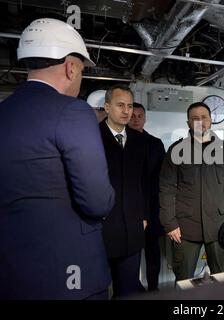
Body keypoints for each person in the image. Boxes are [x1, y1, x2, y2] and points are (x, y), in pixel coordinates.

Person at [0, 18, 115, 299]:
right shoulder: (73, 112)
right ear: (71, 67)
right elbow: (96, 201)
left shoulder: (4, 113)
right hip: (69, 274)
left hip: (12, 273)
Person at [159, 101, 224, 282]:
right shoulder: (177, 150)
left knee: (221, 277)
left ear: (211, 121)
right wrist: (170, 223)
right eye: (194, 118)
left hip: (218, 224)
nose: (200, 122)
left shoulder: (223, 149)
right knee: (184, 279)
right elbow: (166, 189)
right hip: (186, 228)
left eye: (204, 117)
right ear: (188, 123)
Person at [99, 85, 150, 297]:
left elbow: (145, 183)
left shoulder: (139, 141)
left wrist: (145, 215)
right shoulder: (92, 137)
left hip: (132, 228)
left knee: (128, 289)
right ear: (107, 107)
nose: (126, 111)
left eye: (129, 106)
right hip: (101, 228)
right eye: (120, 105)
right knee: (98, 287)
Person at [128, 102, 166, 291]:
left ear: (145, 118)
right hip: (128, 209)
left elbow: (163, 178)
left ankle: (154, 289)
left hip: (152, 208)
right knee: (129, 254)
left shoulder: (155, 144)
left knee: (153, 253)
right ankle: (131, 289)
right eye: (132, 116)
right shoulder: (120, 141)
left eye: (139, 116)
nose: (136, 119)